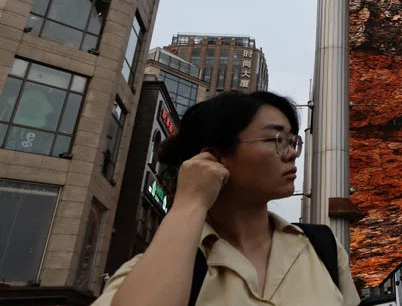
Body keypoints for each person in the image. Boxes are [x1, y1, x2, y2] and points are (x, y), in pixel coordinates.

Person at [93, 91, 361, 306]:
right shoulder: (161, 268)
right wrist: (190, 202)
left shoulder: (322, 249)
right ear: (215, 157)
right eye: (278, 139)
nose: (291, 153)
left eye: (292, 141)